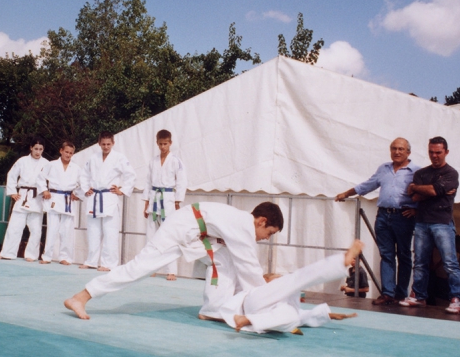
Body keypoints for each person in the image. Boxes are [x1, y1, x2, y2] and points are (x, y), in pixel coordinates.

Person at [64, 201, 284, 320]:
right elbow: (250, 269)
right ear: (262, 221)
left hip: (196, 231)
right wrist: (268, 301)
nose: (267, 238)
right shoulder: (244, 225)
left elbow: (246, 267)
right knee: (139, 268)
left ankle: (213, 309)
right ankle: (81, 296)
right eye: (270, 232)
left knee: (225, 258)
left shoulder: (240, 221)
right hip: (182, 227)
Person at [335, 137, 419, 305]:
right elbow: (368, 185)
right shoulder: (384, 168)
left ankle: (401, 295)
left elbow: (424, 193)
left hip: (404, 217)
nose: (397, 152)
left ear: (408, 152)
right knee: (386, 255)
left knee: (403, 256)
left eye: (401, 149)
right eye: (394, 148)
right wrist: (346, 193)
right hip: (383, 217)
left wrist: (416, 209)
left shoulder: (416, 171)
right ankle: (387, 293)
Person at [221, 241, 364, 334]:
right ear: (266, 280)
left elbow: (305, 316)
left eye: (278, 277)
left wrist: (329, 315)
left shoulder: (286, 306)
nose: (279, 278)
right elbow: (293, 280)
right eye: (275, 277)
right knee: (295, 279)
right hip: (255, 301)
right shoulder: (261, 286)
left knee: (293, 317)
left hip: (259, 315)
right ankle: (339, 262)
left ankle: (246, 320)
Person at [400, 136, 460, 314]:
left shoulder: (451, 173)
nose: (434, 156)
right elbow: (414, 197)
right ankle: (419, 296)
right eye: (431, 152)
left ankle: (458, 300)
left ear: (446, 152)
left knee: (450, 263)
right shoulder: (421, 173)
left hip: (442, 223)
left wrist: (418, 188)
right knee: (420, 262)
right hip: (422, 222)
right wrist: (434, 190)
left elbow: (429, 190)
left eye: (438, 152)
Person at [80, 132, 136, 271]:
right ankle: (91, 261)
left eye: (108, 144)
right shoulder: (93, 158)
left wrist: (122, 190)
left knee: (110, 232)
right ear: (99, 143)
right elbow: (84, 175)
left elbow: (131, 175)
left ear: (113, 143)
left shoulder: (119, 158)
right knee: (93, 231)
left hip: (109, 197)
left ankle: (109, 263)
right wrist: (86, 188)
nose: (106, 147)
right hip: (95, 197)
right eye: (103, 144)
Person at [142, 129, 187, 281]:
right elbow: (148, 182)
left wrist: (177, 201)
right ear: (157, 143)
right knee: (151, 236)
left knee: (169, 235)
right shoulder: (153, 161)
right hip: (154, 197)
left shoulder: (176, 161)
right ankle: (152, 267)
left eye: (165, 144)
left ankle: (171, 270)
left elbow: (181, 182)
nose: (162, 147)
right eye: (160, 144)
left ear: (170, 143)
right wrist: (146, 203)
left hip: (168, 198)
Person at [0, 137, 50, 261]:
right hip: (23, 195)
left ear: (43, 150)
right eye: (36, 149)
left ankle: (31, 255)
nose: (38, 152)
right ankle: (8, 253)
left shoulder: (46, 163)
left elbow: (51, 180)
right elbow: (12, 175)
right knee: (15, 226)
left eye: (40, 149)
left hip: (37, 197)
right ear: (31, 148)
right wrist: (13, 192)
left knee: (36, 229)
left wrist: (46, 192)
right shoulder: (22, 161)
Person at [37, 141, 83, 265]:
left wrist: (77, 193)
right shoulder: (51, 165)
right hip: (54, 197)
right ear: (61, 151)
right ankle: (47, 256)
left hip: (68, 199)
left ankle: (65, 257)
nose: (68, 155)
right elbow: (40, 178)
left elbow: (83, 183)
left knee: (66, 230)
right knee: (52, 229)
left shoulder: (76, 168)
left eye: (71, 153)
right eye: (66, 152)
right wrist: (45, 190)